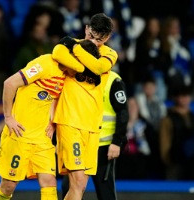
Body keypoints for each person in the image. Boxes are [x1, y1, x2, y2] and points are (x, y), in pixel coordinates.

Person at [0, 40, 100, 200]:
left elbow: (52, 98)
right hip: (19, 134)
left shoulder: (66, 75)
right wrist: (8, 117)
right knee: (8, 186)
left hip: (42, 138)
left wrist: (51, 121)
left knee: (50, 182)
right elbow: (9, 84)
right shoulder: (44, 63)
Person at [49, 13, 118, 200]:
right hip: (70, 121)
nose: (95, 42)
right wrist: (81, 63)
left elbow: (97, 68)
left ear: (108, 37)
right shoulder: (67, 45)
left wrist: (77, 50)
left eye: (100, 39)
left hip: (93, 126)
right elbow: (56, 53)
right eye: (92, 36)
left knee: (81, 185)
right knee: (78, 181)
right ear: (87, 28)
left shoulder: (110, 53)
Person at [62, 71, 128, 200]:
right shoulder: (78, 76)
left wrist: (117, 142)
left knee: (105, 192)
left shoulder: (113, 80)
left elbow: (123, 112)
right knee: (69, 187)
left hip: (103, 147)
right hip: (80, 143)